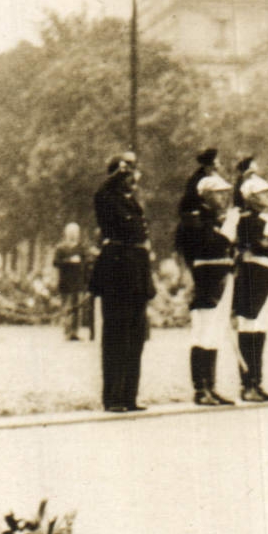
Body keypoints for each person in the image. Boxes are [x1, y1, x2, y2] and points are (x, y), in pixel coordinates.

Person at [87, 152, 153, 412]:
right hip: (117, 272)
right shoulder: (107, 199)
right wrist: (117, 172)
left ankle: (129, 396)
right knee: (116, 334)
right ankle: (113, 397)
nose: (132, 177)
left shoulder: (133, 203)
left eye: (133, 172)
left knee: (135, 336)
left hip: (136, 272)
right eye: (126, 173)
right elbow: (100, 193)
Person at [175, 170, 237, 405]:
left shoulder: (216, 218)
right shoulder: (195, 217)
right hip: (205, 278)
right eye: (218, 194)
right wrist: (228, 231)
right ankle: (200, 388)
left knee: (216, 333)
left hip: (222, 275)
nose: (223, 198)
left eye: (225, 194)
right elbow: (209, 246)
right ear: (206, 195)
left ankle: (211, 385)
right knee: (203, 332)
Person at [231, 169, 268, 401]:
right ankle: (248, 383)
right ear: (251, 197)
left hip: (267, 274)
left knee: (260, 328)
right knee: (249, 327)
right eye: (262, 193)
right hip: (252, 274)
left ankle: (257, 381)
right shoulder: (245, 220)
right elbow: (251, 246)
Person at [52, 222, 90, 340]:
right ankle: (67, 331)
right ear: (66, 234)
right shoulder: (60, 248)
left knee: (78, 307)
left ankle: (75, 331)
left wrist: (86, 280)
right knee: (67, 306)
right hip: (66, 281)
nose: (73, 235)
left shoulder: (81, 248)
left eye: (75, 233)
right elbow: (55, 262)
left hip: (78, 281)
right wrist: (69, 261)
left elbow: (86, 263)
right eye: (71, 233)